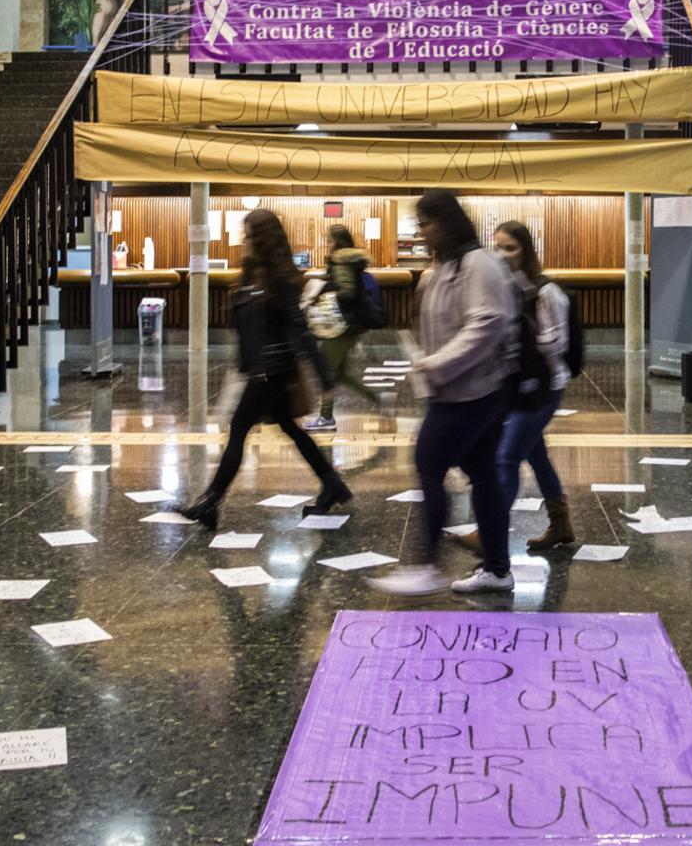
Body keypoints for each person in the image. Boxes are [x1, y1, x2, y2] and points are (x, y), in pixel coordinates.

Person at [369, 190, 518, 597]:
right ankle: (498, 569)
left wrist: (436, 365)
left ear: (448, 223)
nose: (423, 233)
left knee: (428, 463)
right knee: (484, 477)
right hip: (456, 390)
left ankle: (424, 566)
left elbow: (486, 324)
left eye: (427, 223)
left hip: (471, 392)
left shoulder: (477, 264)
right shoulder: (448, 266)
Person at [182, 209, 350, 528]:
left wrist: (324, 376)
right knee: (289, 428)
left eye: (248, 235)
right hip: (261, 368)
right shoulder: (253, 274)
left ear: (261, 239)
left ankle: (211, 501)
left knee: (238, 429)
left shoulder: (280, 279)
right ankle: (332, 483)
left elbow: (300, 330)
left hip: (272, 370)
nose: (244, 241)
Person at [455, 221, 576, 557]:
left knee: (506, 458)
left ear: (526, 250)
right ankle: (561, 524)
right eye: (498, 248)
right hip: (517, 388)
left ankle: (489, 532)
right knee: (536, 455)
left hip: (544, 387)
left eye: (510, 248)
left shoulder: (546, 292)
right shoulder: (506, 291)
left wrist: (526, 341)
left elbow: (558, 342)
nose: (503, 255)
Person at [304, 224, 382, 431]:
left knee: (327, 371)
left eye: (329, 240)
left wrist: (326, 293)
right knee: (340, 374)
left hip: (340, 325)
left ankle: (326, 417)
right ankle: (377, 397)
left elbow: (346, 291)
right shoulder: (351, 261)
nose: (327, 244)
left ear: (337, 241)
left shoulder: (340, 259)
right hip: (351, 324)